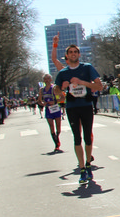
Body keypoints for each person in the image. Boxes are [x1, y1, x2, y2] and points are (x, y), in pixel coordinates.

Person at [56, 44, 103, 184]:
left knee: (88, 137)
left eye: (75, 52)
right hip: (72, 107)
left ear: (79, 54)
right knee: (77, 137)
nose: (73, 54)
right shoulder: (63, 73)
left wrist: (81, 82)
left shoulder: (87, 68)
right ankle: (82, 169)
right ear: (67, 56)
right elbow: (56, 91)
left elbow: (99, 86)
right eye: (70, 52)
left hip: (86, 105)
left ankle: (88, 164)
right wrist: (62, 88)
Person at [38, 73, 64, 153]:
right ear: (43, 80)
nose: (47, 80)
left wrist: (55, 101)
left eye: (48, 78)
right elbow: (39, 100)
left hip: (56, 108)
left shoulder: (55, 88)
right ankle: (56, 144)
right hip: (48, 109)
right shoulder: (42, 89)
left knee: (58, 127)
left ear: (51, 79)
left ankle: (57, 138)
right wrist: (43, 103)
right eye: (45, 79)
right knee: (51, 127)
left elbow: (63, 98)